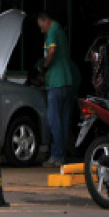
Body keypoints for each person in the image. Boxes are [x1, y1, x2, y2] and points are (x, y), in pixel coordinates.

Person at [37, 11, 73, 168]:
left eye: (41, 27)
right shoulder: (60, 30)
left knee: (54, 121)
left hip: (56, 83)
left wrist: (45, 67)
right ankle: (61, 154)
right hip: (66, 82)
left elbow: (51, 51)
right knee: (63, 122)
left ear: (45, 22)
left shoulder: (52, 31)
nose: (41, 31)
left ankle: (57, 156)